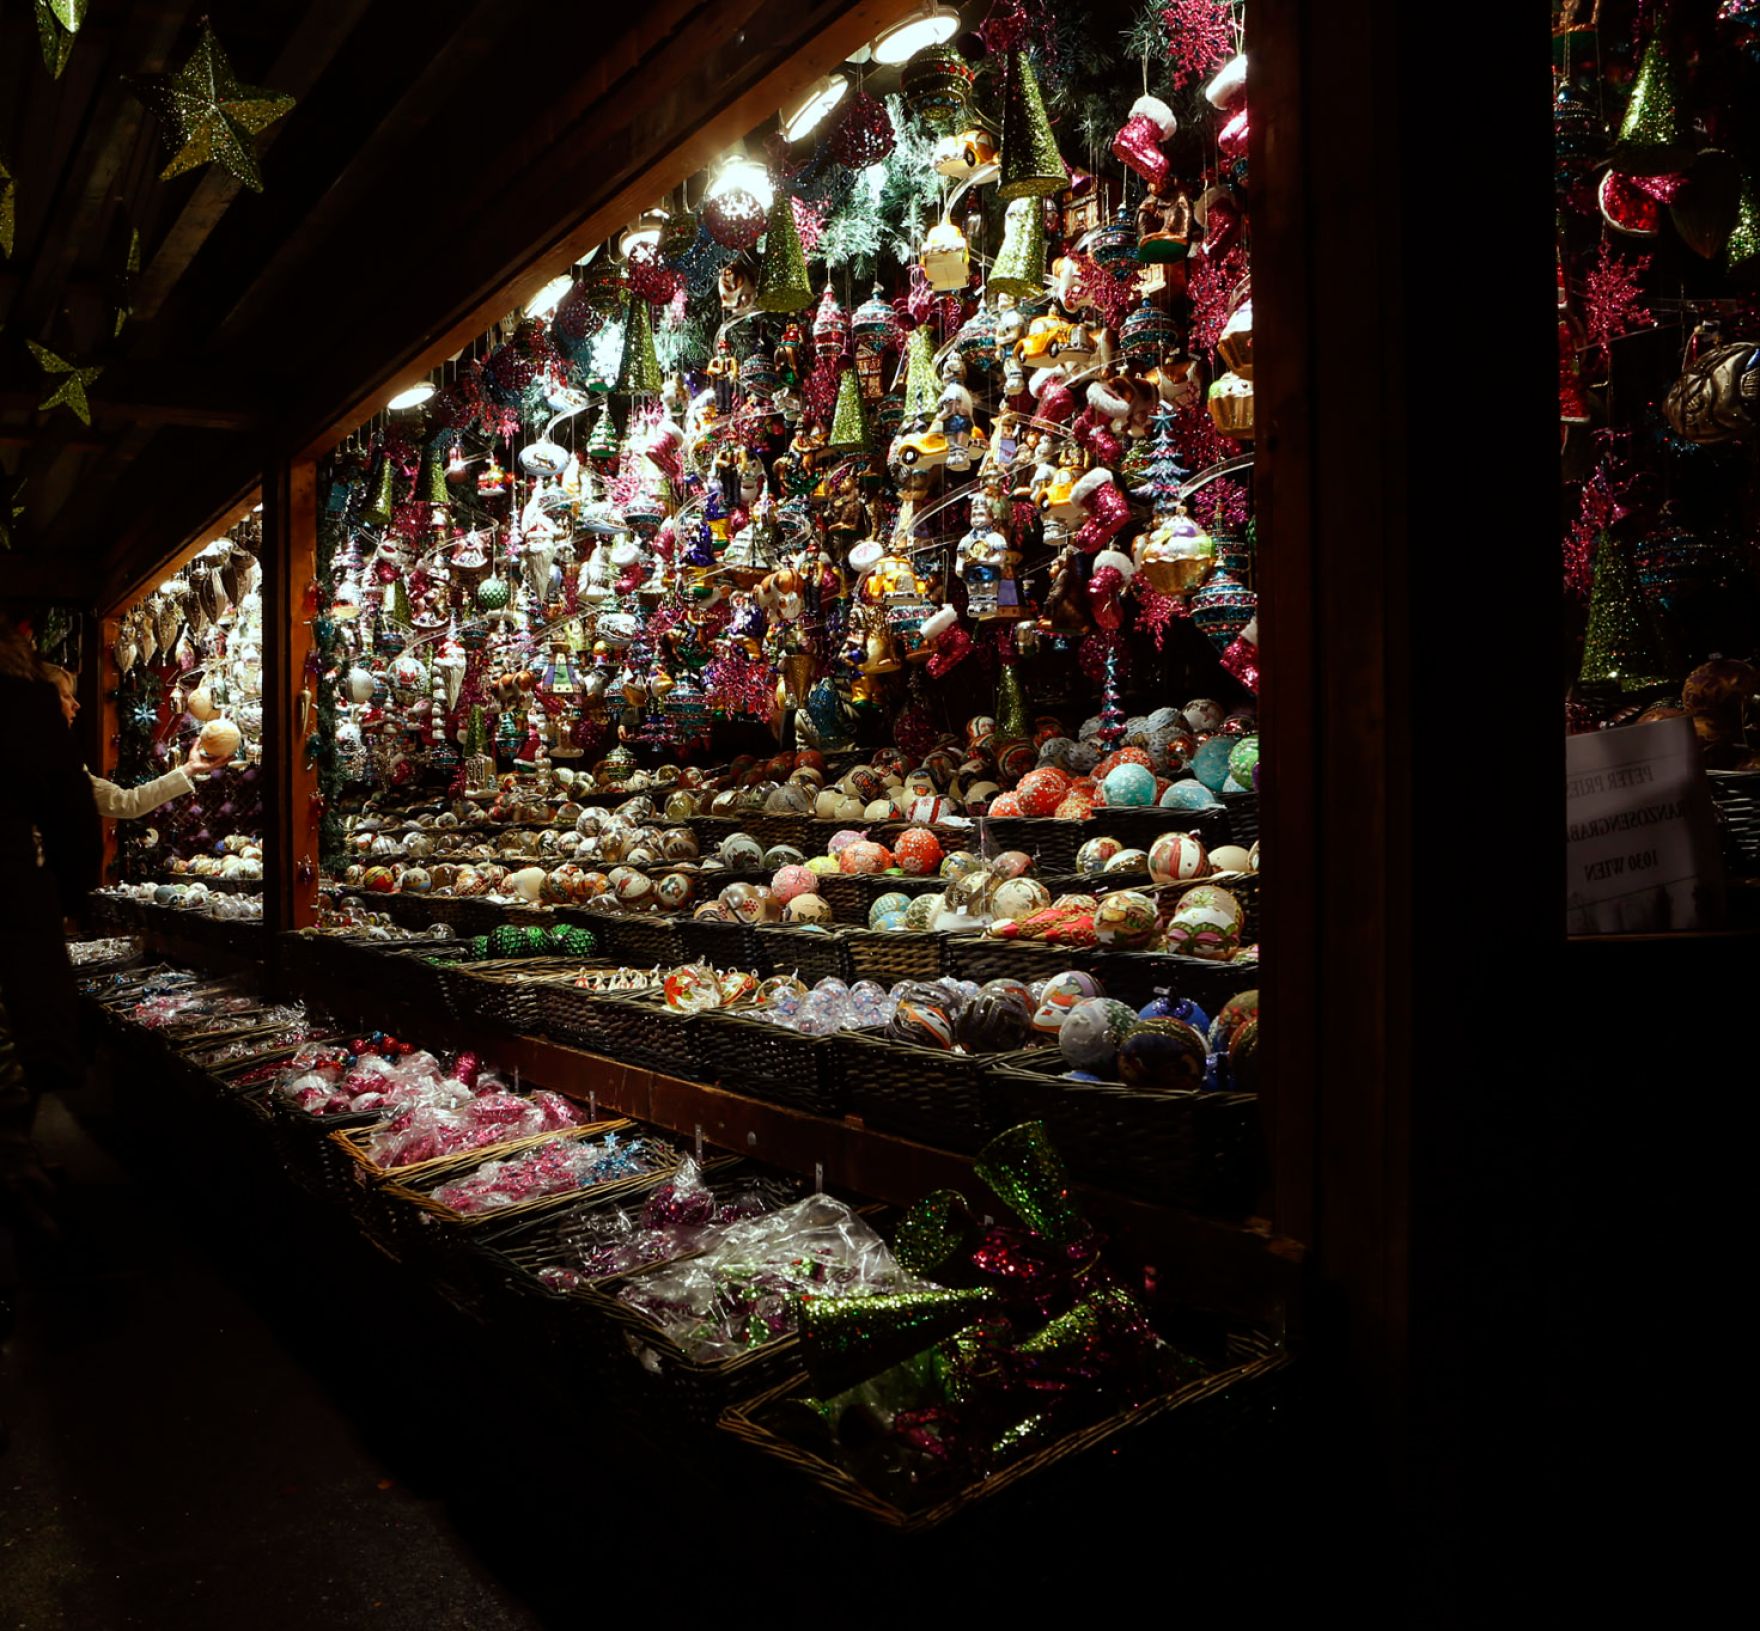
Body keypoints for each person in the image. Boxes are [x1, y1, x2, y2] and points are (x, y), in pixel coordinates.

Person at [0, 619, 103, 1348]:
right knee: (14, 1049)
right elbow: (71, 813)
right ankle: (14, 1179)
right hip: (6, 900)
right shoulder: (21, 703)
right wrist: (71, 895)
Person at [41, 663, 230, 818]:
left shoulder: (62, 756)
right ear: (42, 701)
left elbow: (127, 802)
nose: (76, 705)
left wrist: (189, 769)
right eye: (66, 696)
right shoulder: (41, 759)